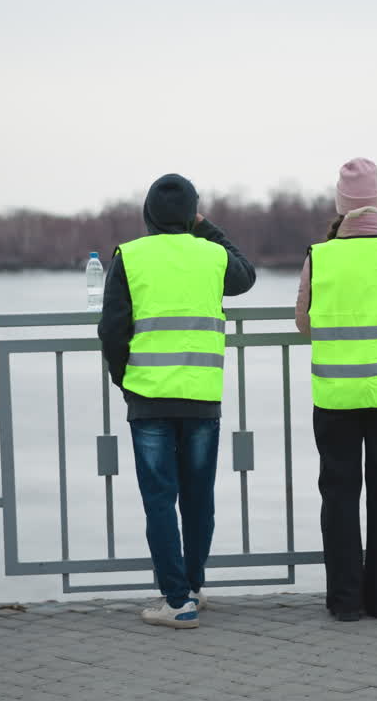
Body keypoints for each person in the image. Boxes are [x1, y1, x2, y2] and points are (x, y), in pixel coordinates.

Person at [98, 173, 256, 629]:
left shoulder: (130, 255)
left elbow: (112, 328)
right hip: (202, 396)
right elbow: (245, 276)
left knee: (160, 500)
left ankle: (176, 599)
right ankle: (193, 587)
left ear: (148, 214)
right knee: (198, 497)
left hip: (148, 395)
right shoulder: (212, 256)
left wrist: (123, 379)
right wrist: (207, 228)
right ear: (192, 213)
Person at [295, 158, 377, 621]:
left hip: (335, 396)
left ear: (341, 204)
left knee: (339, 494)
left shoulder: (321, 254)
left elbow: (303, 323)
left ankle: (346, 602)